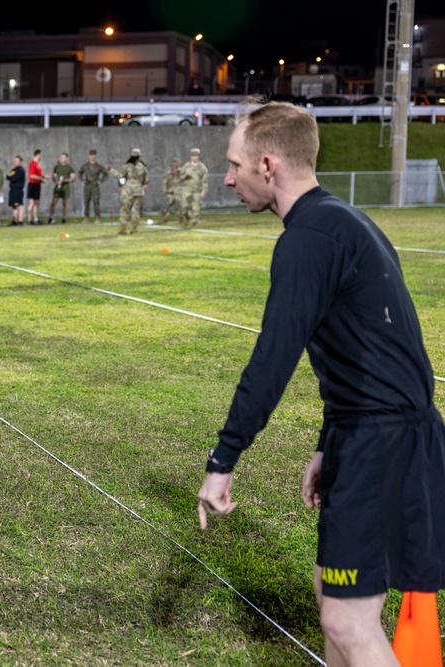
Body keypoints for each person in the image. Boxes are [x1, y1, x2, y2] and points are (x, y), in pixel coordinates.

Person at [196, 101, 445, 666]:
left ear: (267, 164)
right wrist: (327, 441)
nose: (229, 179)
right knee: (334, 604)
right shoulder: (344, 220)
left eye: (234, 165)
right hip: (378, 435)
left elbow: (272, 360)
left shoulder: (309, 239)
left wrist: (223, 460)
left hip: (382, 443)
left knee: (347, 620)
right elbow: (367, 352)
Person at [117, 148, 149, 235]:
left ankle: (123, 227)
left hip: (127, 189)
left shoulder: (126, 166)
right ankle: (134, 228)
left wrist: (121, 185)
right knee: (135, 209)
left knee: (125, 208)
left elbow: (121, 177)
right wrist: (142, 187)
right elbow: (146, 180)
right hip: (138, 190)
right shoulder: (143, 166)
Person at [179, 147, 209, 228]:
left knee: (195, 208)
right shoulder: (186, 166)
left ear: (198, 157)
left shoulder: (202, 167)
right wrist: (185, 175)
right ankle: (187, 217)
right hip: (186, 189)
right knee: (183, 206)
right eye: (192, 156)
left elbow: (205, 180)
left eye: (196, 156)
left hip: (197, 190)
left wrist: (203, 191)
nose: (194, 157)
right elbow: (180, 178)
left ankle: (194, 221)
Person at [78, 149, 109, 224]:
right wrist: (82, 180)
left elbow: (106, 174)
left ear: (96, 156)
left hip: (95, 186)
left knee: (96, 201)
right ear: (89, 156)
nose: (92, 157)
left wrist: (100, 181)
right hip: (87, 185)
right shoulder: (85, 166)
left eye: (94, 155)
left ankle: (97, 217)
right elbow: (80, 173)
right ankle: (86, 217)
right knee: (86, 202)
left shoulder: (98, 166)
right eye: (91, 155)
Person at [47, 152, 75, 224]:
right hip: (58, 187)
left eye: (63, 158)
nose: (61, 159)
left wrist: (64, 180)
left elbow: (72, 178)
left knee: (65, 203)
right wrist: (56, 181)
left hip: (65, 187)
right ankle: (51, 217)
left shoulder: (69, 168)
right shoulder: (57, 167)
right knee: (53, 202)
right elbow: (54, 176)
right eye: (61, 157)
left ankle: (64, 218)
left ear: (66, 159)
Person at [162, 158, 183, 224]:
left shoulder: (181, 171)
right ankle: (165, 217)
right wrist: (165, 190)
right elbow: (165, 181)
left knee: (181, 206)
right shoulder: (169, 172)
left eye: (177, 163)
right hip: (170, 191)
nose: (176, 164)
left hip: (179, 191)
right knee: (167, 206)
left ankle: (181, 218)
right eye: (174, 163)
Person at [6, 155, 26, 226]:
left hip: (18, 190)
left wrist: (11, 177)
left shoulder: (21, 170)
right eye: (14, 161)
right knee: (14, 205)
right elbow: (7, 176)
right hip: (12, 190)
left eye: (17, 161)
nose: (15, 162)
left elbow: (14, 178)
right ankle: (14, 221)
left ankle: (20, 221)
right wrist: (10, 176)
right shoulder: (13, 170)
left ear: (20, 161)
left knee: (19, 205)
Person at [27, 149, 43, 224]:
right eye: (41, 155)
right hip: (33, 184)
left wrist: (43, 177)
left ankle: (36, 219)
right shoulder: (32, 164)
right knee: (32, 202)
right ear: (38, 155)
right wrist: (41, 178)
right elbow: (32, 175)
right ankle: (29, 220)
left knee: (36, 202)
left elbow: (38, 175)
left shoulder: (37, 164)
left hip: (37, 184)